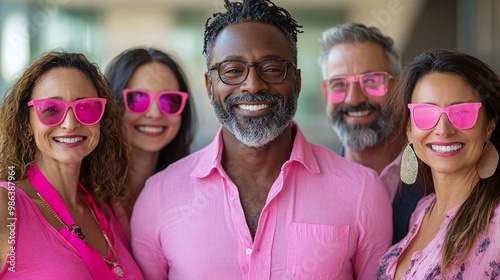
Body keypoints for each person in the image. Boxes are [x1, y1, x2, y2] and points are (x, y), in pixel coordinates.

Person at [131, 0, 392, 279]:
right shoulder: (158, 197)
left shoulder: (362, 191)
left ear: (298, 81)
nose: (253, 85)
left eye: (272, 68)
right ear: (209, 86)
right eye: (232, 70)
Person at [0, 51, 144, 279]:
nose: (70, 124)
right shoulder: (6, 206)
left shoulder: (108, 210)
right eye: (50, 109)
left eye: (86, 107)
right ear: (26, 123)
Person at [377, 49, 500, 279]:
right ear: (409, 130)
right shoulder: (423, 210)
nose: (443, 129)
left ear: (490, 124)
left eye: (462, 112)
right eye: (426, 113)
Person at [317, 23, 421, 243]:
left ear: (398, 87)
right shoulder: (313, 187)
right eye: (338, 84)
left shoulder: (437, 174)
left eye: (371, 81)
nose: (354, 99)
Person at [105, 48, 195, 240]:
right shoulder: (83, 194)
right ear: (113, 104)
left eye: (169, 100)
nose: (155, 113)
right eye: (137, 99)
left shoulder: (193, 194)